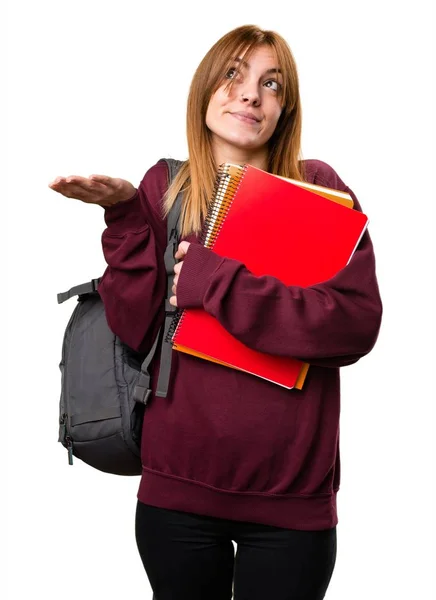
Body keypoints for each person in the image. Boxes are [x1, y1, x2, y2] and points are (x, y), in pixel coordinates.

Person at [49, 24, 382, 600]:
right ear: (205, 88)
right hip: (176, 492)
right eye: (233, 74)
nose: (250, 94)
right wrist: (127, 215)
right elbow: (134, 329)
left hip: (290, 503)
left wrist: (216, 281)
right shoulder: (165, 187)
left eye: (271, 83)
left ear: (286, 109)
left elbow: (352, 325)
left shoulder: (319, 189)